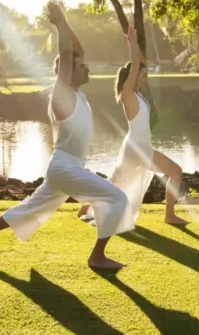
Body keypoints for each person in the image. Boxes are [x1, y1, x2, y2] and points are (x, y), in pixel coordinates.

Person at [0, 1, 131, 269]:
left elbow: (76, 50)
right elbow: (68, 54)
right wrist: (58, 26)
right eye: (82, 67)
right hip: (65, 166)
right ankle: (97, 257)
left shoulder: (76, 94)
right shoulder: (62, 95)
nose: (88, 68)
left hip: (65, 167)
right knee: (117, 198)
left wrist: (65, 22)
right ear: (67, 73)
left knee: (31, 207)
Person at [78, 26, 189, 227]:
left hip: (136, 146)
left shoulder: (136, 93)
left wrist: (136, 44)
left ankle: (88, 205)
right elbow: (137, 65)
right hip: (138, 148)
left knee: (117, 182)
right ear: (134, 76)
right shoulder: (127, 93)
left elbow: (141, 63)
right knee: (175, 172)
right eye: (143, 75)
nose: (145, 79)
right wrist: (131, 47)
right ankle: (169, 216)